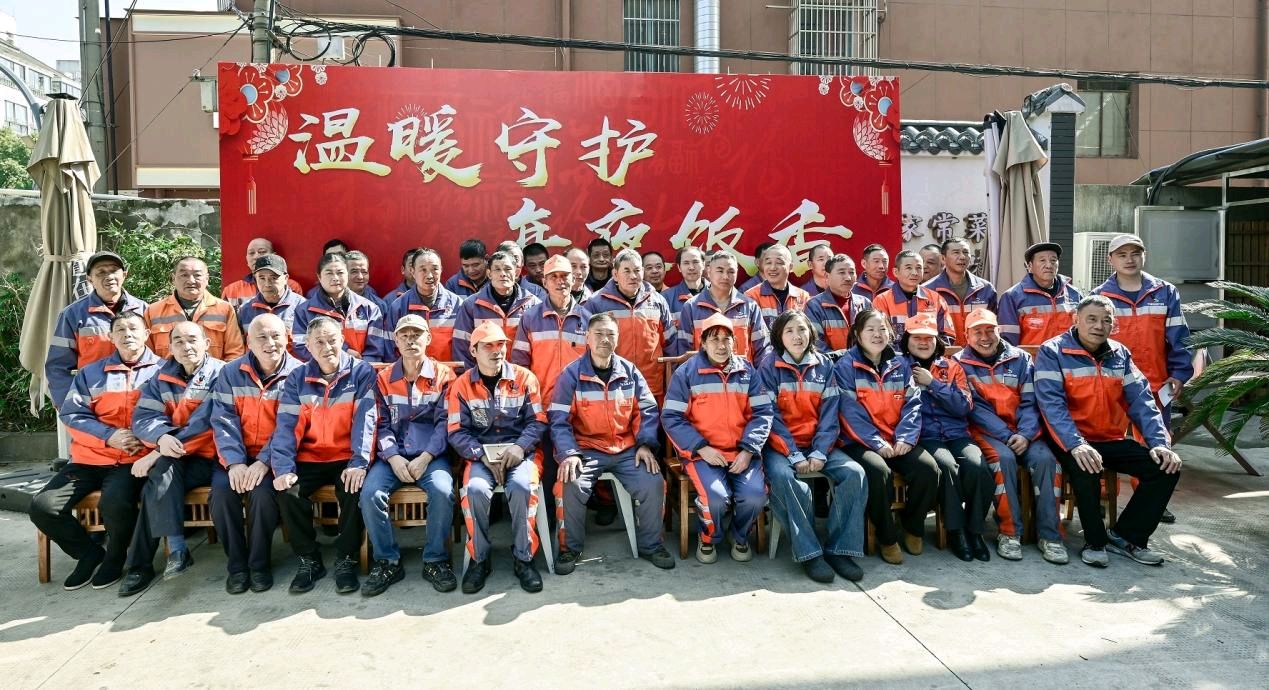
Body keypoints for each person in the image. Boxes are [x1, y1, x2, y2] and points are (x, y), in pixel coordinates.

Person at [1034, 295, 1182, 568]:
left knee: (1165, 468)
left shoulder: (1120, 354)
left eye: (1106, 320)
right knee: (1088, 466)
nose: (1099, 326)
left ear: (1113, 325)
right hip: (1067, 439)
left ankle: (1126, 536)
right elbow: (1051, 405)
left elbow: (1142, 401)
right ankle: (1095, 542)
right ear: (1075, 320)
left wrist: (1160, 443)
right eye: (1091, 319)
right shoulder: (1052, 351)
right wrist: (1076, 444)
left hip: (1108, 437)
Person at [29, 312, 162, 590]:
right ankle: (89, 554)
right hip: (89, 459)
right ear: (110, 337)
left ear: (147, 334)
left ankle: (115, 557)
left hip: (132, 460)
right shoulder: (91, 373)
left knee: (115, 502)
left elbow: (173, 415)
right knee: (43, 507)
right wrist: (108, 437)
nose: (127, 334)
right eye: (120, 330)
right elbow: (72, 414)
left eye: (133, 328)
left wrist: (145, 440)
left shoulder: (163, 372)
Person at [550, 313, 675, 573]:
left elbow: (647, 411)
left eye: (610, 334)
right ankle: (570, 548)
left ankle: (651, 545)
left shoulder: (630, 372)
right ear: (587, 338)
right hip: (586, 448)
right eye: (599, 334)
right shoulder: (571, 375)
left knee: (653, 482)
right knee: (569, 484)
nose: (604, 339)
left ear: (618, 339)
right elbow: (559, 420)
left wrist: (644, 444)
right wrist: (569, 453)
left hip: (626, 448)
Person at [266, 316, 378, 594]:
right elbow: (286, 426)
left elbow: (366, 421)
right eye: (319, 342)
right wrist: (283, 468)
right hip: (310, 456)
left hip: (346, 455)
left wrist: (359, 462)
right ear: (308, 346)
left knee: (354, 489)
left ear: (342, 340)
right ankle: (309, 559)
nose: (327, 347)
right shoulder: (297, 378)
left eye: (332, 340)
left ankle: (347, 558)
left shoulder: (361, 372)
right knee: (287, 491)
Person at [118, 321, 225, 596]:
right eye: (178, 341)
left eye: (192, 339)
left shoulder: (222, 374)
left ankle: (147, 563)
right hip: (176, 457)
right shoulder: (161, 377)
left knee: (156, 482)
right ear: (170, 347)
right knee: (159, 482)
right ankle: (174, 553)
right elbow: (143, 418)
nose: (186, 346)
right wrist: (160, 438)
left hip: (212, 457)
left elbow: (206, 424)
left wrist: (158, 450)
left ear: (207, 343)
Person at [759, 311, 866, 583]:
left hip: (819, 445)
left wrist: (819, 451)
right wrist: (793, 454)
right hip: (781, 447)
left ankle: (839, 550)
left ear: (811, 333)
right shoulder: (768, 367)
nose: (797, 336)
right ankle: (810, 553)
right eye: (789, 331)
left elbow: (830, 414)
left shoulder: (824, 365)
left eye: (802, 330)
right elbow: (770, 417)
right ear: (779, 336)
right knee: (784, 478)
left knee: (855, 473)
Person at [1094, 233, 1194, 524]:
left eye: (1135, 253)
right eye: (1122, 254)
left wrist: (1179, 374)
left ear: (1144, 256)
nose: (1129, 259)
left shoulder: (1165, 292)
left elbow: (1179, 337)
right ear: (1110, 260)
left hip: (1155, 382)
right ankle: (1101, 496)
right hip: (1110, 383)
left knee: (1157, 441)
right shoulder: (1100, 296)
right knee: (1104, 440)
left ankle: (1154, 500)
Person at [955, 308, 1066, 564]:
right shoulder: (960, 363)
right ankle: (1009, 532)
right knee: (1002, 460)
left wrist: (1025, 434)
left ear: (999, 330)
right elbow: (975, 408)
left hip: (1026, 431)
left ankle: (1050, 536)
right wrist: (1007, 435)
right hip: (987, 433)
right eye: (977, 332)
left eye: (989, 330)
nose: (985, 337)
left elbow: (1032, 400)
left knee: (1047, 461)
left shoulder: (1021, 358)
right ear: (966, 335)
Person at [359, 315, 459, 597]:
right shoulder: (382, 379)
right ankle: (387, 561)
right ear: (396, 340)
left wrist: (426, 457)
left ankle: (435, 560)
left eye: (417, 334)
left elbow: (446, 423)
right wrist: (392, 456)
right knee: (370, 494)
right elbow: (379, 423)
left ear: (428, 338)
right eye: (404, 335)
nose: (411, 340)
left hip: (431, 456)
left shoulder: (444, 376)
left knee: (442, 491)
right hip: (393, 456)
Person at [662, 313, 774, 564]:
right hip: (702, 454)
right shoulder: (686, 373)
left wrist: (748, 450)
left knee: (755, 496)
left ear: (735, 342)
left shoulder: (747, 371)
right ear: (702, 343)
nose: (721, 345)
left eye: (727, 339)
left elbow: (763, 413)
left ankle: (739, 536)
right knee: (715, 498)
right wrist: (702, 448)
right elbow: (671, 417)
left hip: (742, 452)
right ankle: (709, 537)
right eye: (714, 339)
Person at [448, 322, 549, 594]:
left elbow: (538, 421)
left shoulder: (525, 378)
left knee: (522, 487)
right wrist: (480, 455)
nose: (497, 351)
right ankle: (480, 559)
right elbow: (456, 431)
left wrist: (520, 447)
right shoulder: (461, 385)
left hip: (522, 454)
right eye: (488, 346)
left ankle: (524, 558)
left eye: (501, 344)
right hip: (480, 456)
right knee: (475, 490)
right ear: (473, 351)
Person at [835, 309, 939, 565]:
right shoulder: (845, 367)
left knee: (928, 469)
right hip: (859, 441)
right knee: (878, 471)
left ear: (891, 333)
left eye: (882, 329)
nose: (877, 334)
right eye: (870, 329)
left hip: (897, 438)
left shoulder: (901, 364)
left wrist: (905, 438)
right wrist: (876, 442)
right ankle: (887, 537)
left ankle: (913, 526)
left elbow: (912, 404)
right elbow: (849, 412)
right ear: (858, 334)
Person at [207, 313, 300, 594]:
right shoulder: (230, 372)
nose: (270, 343)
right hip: (234, 456)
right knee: (222, 494)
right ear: (249, 341)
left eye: (276, 336)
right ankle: (237, 566)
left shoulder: (299, 374)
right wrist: (235, 463)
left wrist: (264, 462)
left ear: (287, 338)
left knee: (262, 495)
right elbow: (223, 419)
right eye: (262, 337)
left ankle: (259, 565)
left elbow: (289, 426)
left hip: (275, 457)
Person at [900, 313, 991, 563]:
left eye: (928, 338)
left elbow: (963, 406)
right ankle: (956, 531)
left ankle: (975, 531)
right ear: (906, 340)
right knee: (947, 467)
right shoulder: (899, 367)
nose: (923, 343)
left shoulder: (951, 367)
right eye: (917, 337)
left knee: (977, 466)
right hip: (925, 436)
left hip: (956, 433)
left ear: (937, 340)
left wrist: (933, 384)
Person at [46, 251, 148, 410]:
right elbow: (58, 366)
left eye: (114, 270)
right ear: (89, 279)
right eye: (101, 272)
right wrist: (69, 403)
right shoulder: (73, 314)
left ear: (124, 275)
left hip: (139, 401)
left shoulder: (144, 310)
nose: (109, 276)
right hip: (93, 403)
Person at [584, 248, 675, 402]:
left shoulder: (658, 301)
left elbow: (671, 343)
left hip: (652, 385)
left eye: (637, 270)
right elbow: (586, 346)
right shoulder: (596, 303)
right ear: (615, 274)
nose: (633, 276)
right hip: (613, 385)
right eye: (626, 271)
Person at [451, 250, 541, 371]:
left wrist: (527, 378)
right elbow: (461, 347)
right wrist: (471, 378)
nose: (502, 274)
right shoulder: (471, 306)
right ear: (489, 274)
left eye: (507, 269)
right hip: (484, 377)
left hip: (520, 377)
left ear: (517, 272)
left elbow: (539, 349)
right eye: (497, 269)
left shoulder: (533, 304)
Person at [292, 252, 390, 363]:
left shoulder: (370, 308)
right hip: (321, 371)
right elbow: (301, 347)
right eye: (329, 273)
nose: (335, 278)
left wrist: (360, 369)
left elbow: (375, 350)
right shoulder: (304, 311)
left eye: (340, 273)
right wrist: (343, 354)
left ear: (347, 274)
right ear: (319, 277)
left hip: (361, 371)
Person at [145, 256, 245, 361]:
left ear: (207, 279)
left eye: (197, 275)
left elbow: (235, 353)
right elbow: (146, 354)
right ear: (173, 279)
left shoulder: (224, 309)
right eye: (184, 275)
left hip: (213, 371)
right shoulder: (153, 311)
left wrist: (223, 372)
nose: (191, 281)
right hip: (165, 371)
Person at [677, 251, 771, 362]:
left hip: (742, 372)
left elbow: (763, 348)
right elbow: (683, 351)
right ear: (709, 271)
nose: (725, 276)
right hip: (702, 372)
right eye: (720, 271)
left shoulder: (750, 306)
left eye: (731, 271)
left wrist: (756, 373)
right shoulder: (691, 307)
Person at [997, 242, 1082, 346]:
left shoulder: (1074, 293)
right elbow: (1007, 342)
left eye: (1053, 260)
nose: (1049, 265)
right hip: (1032, 356)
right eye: (1042, 260)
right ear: (1030, 266)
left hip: (1069, 356)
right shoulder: (1012, 297)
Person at [387, 247, 462, 363]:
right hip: (411, 372)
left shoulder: (457, 304)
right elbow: (390, 350)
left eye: (435, 269)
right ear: (412, 271)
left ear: (441, 270)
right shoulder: (398, 307)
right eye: (423, 270)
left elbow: (462, 349)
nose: (429, 275)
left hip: (449, 372)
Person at [923, 237, 998, 346]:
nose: (962, 257)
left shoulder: (985, 288)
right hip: (945, 353)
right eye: (956, 252)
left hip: (978, 351)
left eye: (966, 252)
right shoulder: (928, 290)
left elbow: (994, 326)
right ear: (943, 258)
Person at [871, 250, 954, 342]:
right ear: (896, 272)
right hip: (895, 351)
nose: (914, 272)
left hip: (929, 350)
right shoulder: (882, 300)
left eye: (919, 268)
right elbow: (880, 336)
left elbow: (948, 335)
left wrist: (931, 348)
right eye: (909, 268)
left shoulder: (936, 299)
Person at [803, 253, 870, 356]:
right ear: (827, 276)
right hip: (830, 364)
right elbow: (816, 345)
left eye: (852, 272)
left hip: (863, 364)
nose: (848, 278)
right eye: (841, 272)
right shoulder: (814, 306)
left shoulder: (865, 303)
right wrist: (845, 361)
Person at [221, 237, 302, 309]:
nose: (256, 257)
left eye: (262, 252)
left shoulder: (292, 287)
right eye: (251, 253)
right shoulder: (231, 290)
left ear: (274, 256)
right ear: (246, 259)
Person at [745, 244, 810, 330]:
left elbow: (808, 331)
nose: (772, 268)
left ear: (791, 267)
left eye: (779, 263)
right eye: (768, 263)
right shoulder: (751, 296)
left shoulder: (803, 296)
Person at [237, 254, 304, 333]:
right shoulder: (245, 310)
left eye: (273, 278)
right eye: (262, 278)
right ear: (255, 279)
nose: (267, 284)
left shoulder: (302, 307)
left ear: (286, 278)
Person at [662, 245, 707, 332]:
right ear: (679, 267)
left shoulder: (718, 293)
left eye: (695, 262)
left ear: (703, 264)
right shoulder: (666, 298)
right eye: (686, 263)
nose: (691, 267)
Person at [342, 250, 389, 314]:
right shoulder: (334, 303)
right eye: (354, 272)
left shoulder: (379, 305)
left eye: (364, 272)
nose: (360, 277)